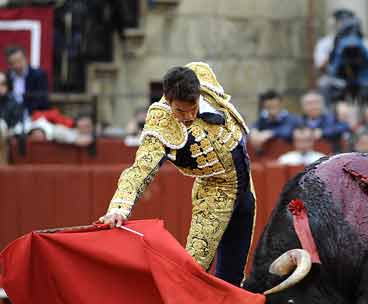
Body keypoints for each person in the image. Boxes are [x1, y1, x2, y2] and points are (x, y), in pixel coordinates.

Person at [99, 63, 254, 287]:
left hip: (246, 185)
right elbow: (140, 169)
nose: (189, 116)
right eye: (181, 111)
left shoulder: (201, 75)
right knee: (192, 272)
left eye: (193, 107)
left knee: (234, 271)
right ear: (168, 100)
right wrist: (118, 208)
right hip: (215, 192)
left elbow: (192, 72)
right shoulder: (162, 123)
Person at [4, 46, 50, 117]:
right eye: (13, 63)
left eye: (19, 61)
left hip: (33, 114)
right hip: (10, 115)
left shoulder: (38, 75)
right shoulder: (7, 77)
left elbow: (42, 99)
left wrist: (25, 112)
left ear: (26, 59)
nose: (17, 65)